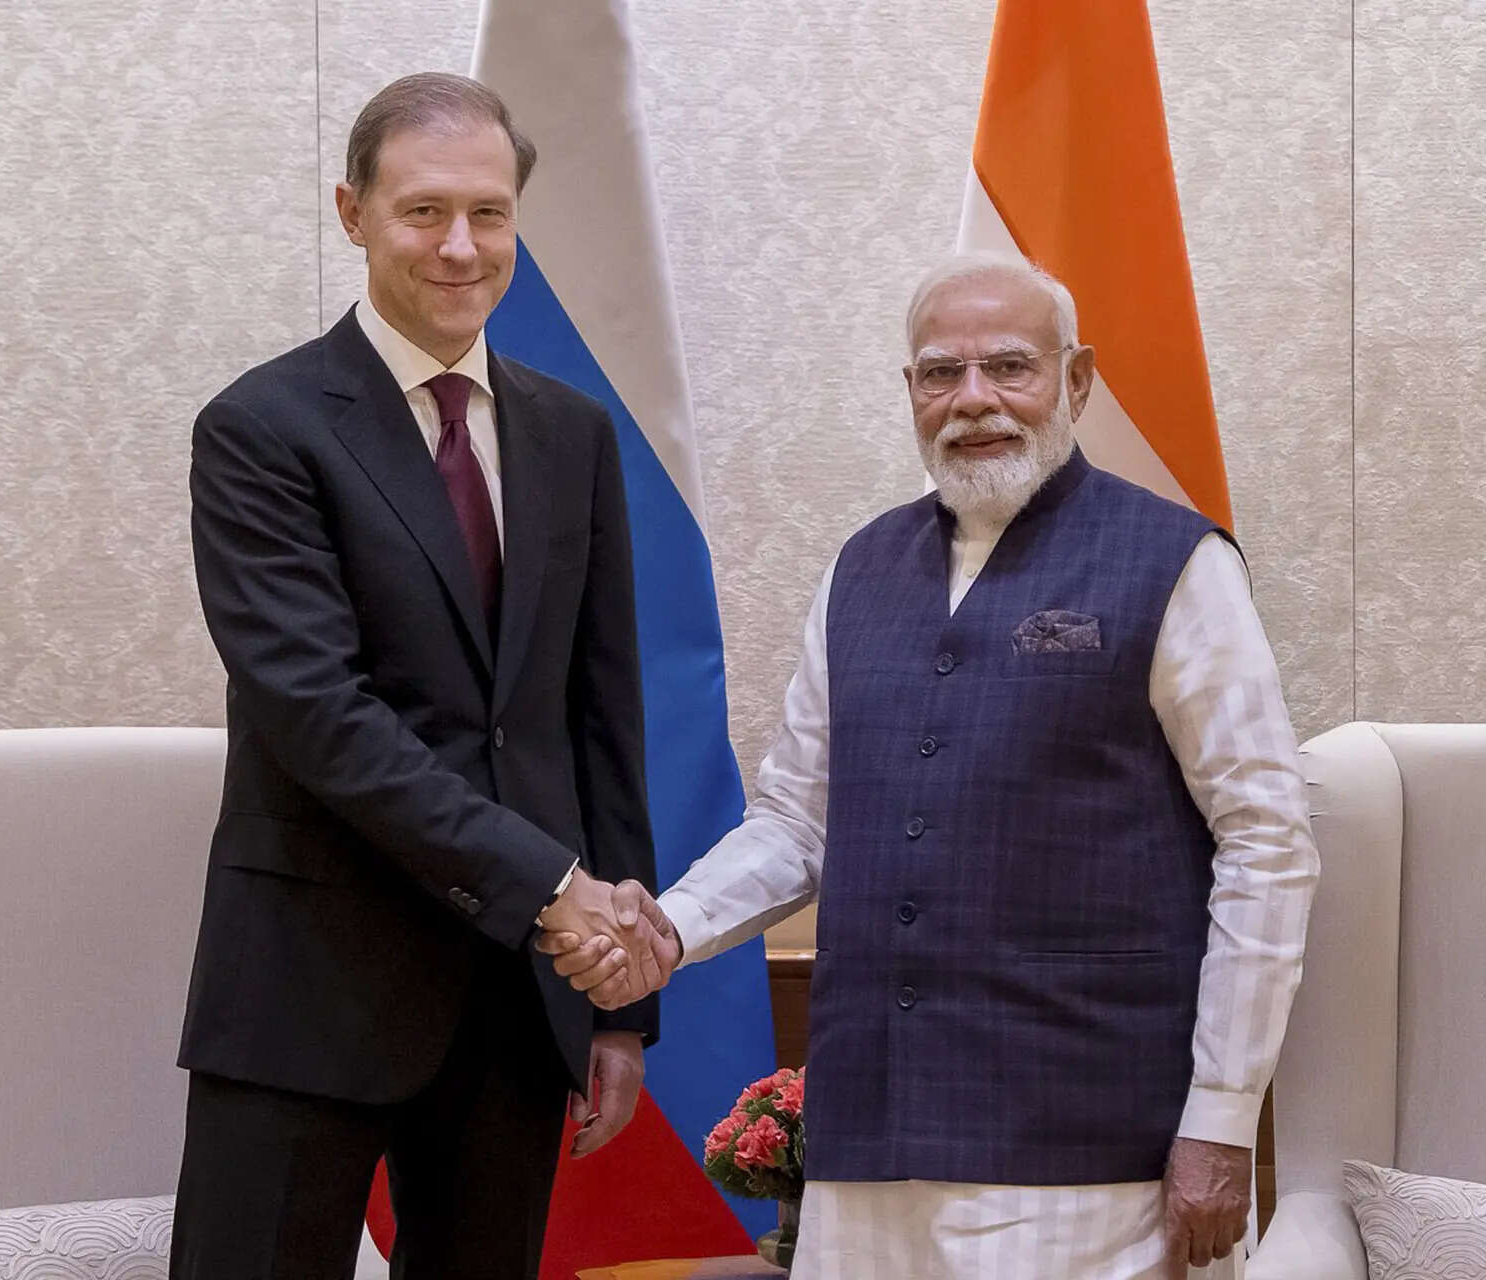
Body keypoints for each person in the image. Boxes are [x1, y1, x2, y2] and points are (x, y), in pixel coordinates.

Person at [544, 254, 1320, 1279]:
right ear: (910, 390)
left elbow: (1266, 843)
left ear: (1078, 380)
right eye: (942, 373)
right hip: (869, 1143)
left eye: (1010, 366)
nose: (974, 399)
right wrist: (670, 928)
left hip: (1089, 1152)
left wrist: (1221, 1118)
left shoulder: (1178, 564)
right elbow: (797, 822)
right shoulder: (860, 568)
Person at [171, 72, 666, 1280]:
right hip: (307, 990)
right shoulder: (261, 428)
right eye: (424, 210)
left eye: (489, 213)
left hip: (515, 1003)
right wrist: (551, 885)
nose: (461, 246)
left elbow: (600, 716)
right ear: (353, 212)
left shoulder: (574, 432)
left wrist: (617, 1006)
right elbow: (321, 717)